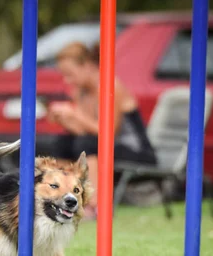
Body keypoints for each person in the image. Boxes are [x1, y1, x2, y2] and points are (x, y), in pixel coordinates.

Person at [48, 41, 157, 218]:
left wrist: (74, 114)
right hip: (102, 145)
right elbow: (83, 130)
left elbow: (108, 133)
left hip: (138, 152)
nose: (67, 81)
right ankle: (61, 197)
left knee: (90, 144)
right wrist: (63, 119)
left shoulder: (111, 87)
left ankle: (94, 205)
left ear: (88, 66)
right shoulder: (81, 92)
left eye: (70, 74)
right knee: (63, 143)